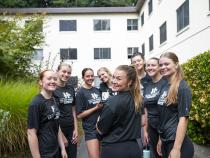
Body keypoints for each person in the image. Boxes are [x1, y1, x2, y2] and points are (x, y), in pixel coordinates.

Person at [96, 65, 144, 158]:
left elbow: (100, 130)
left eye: (118, 79)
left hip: (114, 150)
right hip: (134, 149)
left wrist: (98, 121)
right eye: (113, 77)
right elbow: (142, 122)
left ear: (129, 82)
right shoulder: (138, 99)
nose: (114, 81)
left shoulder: (112, 101)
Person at [157, 52, 194, 158]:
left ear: (176, 65)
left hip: (177, 144)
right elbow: (164, 116)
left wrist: (176, 149)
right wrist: (160, 139)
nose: (163, 67)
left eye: (166, 64)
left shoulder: (182, 87)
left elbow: (184, 119)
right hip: (165, 141)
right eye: (161, 65)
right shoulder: (165, 86)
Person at [27, 70, 67, 158]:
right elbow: (31, 133)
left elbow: (56, 124)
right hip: (44, 152)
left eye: (55, 79)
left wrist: (63, 148)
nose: (53, 81)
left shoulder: (54, 99)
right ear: (41, 82)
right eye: (49, 78)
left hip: (55, 149)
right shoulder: (36, 103)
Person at [76, 68, 102, 158]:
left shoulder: (97, 90)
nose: (90, 78)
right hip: (90, 129)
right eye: (87, 76)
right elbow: (79, 115)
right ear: (83, 77)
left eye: (92, 76)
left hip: (101, 127)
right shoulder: (80, 93)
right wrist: (95, 108)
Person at [143, 57, 167, 158]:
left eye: (153, 65)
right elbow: (145, 109)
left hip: (164, 127)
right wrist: (145, 130)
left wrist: (161, 138)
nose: (150, 67)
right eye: (148, 65)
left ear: (158, 67)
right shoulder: (147, 86)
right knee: (155, 155)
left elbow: (166, 111)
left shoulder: (165, 83)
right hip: (151, 128)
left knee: (164, 153)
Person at [54, 63, 78, 158]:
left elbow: (73, 110)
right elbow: (53, 115)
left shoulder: (70, 88)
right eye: (63, 71)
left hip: (71, 129)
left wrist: (75, 129)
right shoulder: (53, 89)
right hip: (59, 130)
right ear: (57, 71)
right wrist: (62, 136)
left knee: (72, 155)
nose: (66, 74)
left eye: (69, 72)